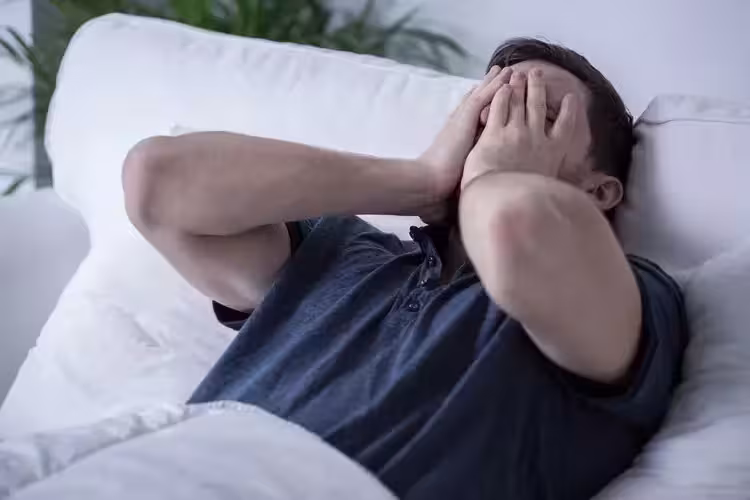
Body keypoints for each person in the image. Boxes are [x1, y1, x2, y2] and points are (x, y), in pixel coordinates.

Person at [122, 38, 687, 500]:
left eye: (534, 115)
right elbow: (156, 181)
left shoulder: (634, 296)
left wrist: (493, 177)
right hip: (152, 474)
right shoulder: (345, 251)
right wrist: (420, 182)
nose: (496, 130)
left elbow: (518, 229)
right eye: (487, 107)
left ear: (599, 191)